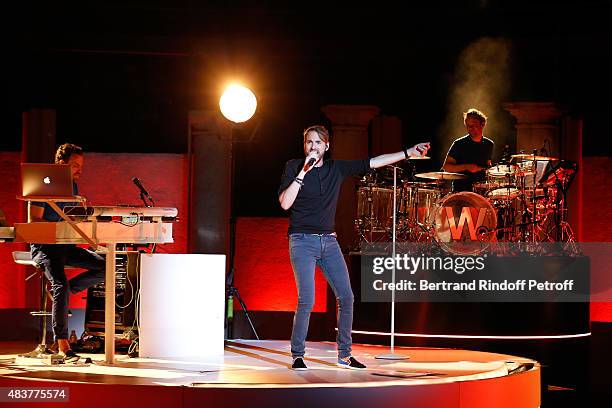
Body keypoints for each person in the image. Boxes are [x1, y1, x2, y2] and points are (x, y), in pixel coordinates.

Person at [278, 125, 430, 370]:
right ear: (304, 146)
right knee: (307, 299)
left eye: (318, 142)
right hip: (302, 240)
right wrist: (302, 173)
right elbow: (285, 203)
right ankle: (298, 355)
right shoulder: (293, 166)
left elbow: (372, 162)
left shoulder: (336, 168)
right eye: (309, 142)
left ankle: (344, 355)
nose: (313, 146)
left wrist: (407, 152)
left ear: (326, 146)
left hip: (328, 241)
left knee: (347, 296)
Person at [29, 143, 105, 363]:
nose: (79, 170)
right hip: (44, 247)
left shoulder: (72, 186)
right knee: (59, 284)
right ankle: (63, 344)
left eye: (81, 166)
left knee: (105, 266)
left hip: (65, 246)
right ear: (60, 164)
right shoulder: (43, 184)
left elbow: (71, 218)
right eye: (74, 165)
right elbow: (34, 220)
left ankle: (62, 295)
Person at [442, 108, 494, 192]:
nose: (470, 128)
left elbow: (488, 164)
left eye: (474, 125)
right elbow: (446, 167)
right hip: (462, 190)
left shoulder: (489, 144)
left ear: (482, 124)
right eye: (468, 126)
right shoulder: (459, 144)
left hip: (482, 191)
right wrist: (466, 167)